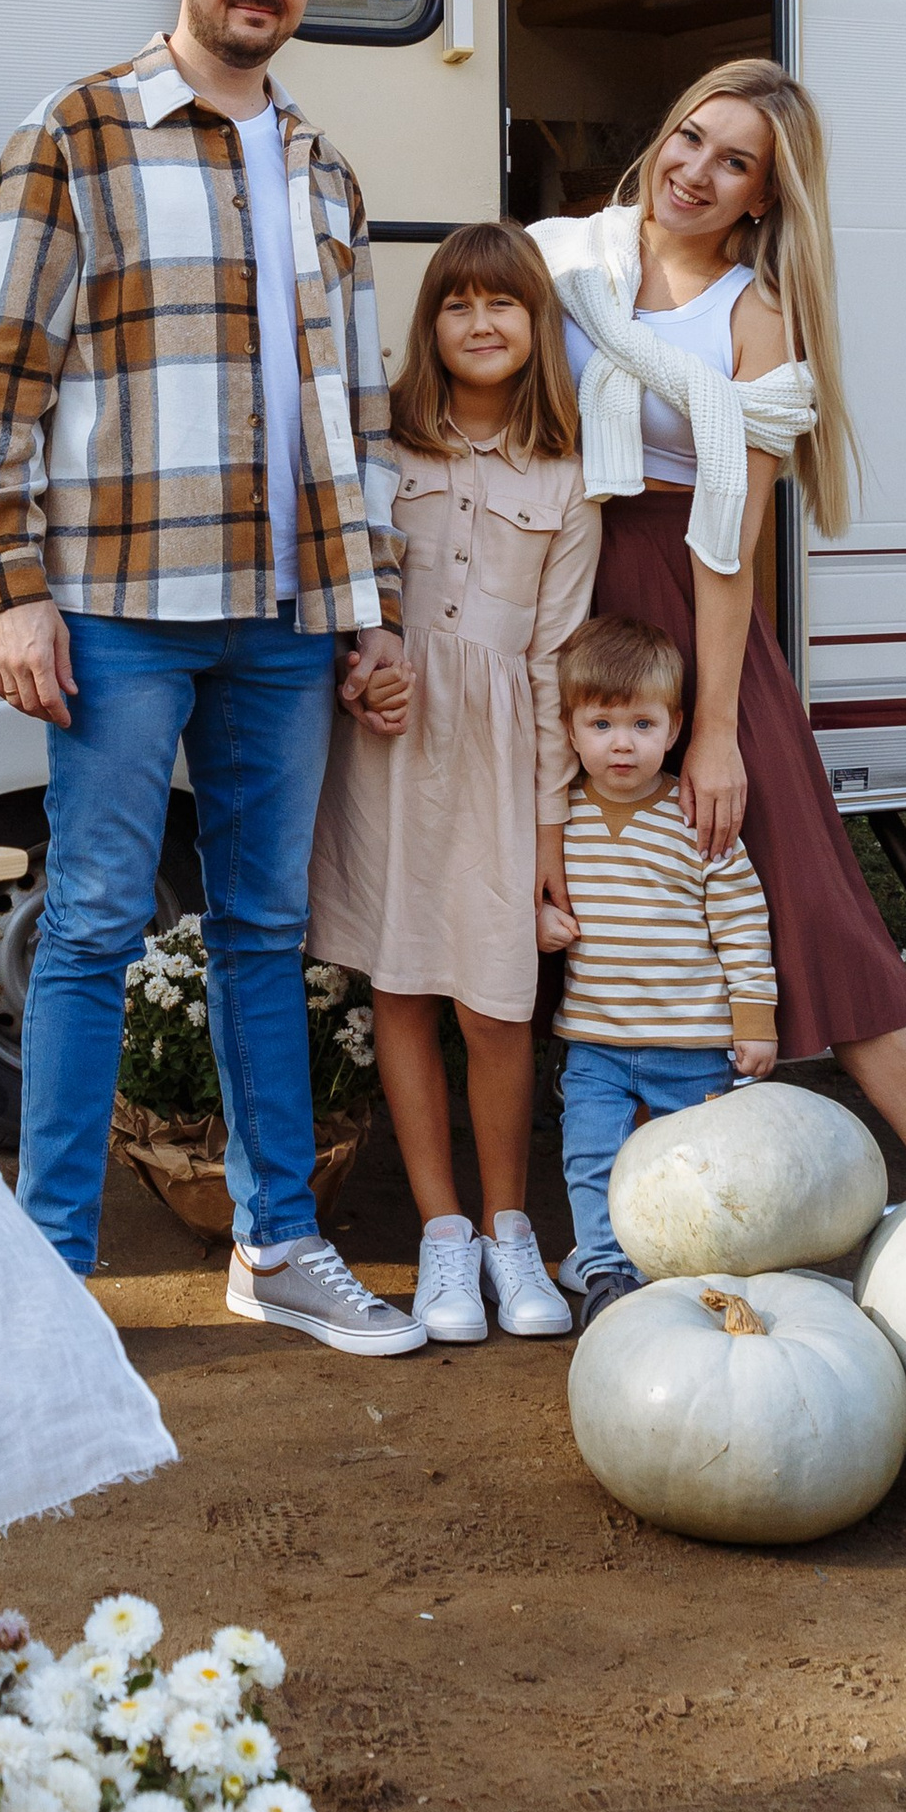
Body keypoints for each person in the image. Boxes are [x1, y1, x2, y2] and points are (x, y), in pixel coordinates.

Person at [0, 0, 424, 1352]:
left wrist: (371, 605)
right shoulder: (75, 133)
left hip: (286, 615)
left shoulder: (323, 168)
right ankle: (51, 1271)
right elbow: (1, 379)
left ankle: (277, 1245)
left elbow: (354, 410)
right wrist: (11, 590)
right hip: (119, 601)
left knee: (265, 932)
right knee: (92, 922)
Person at [530, 60, 906, 1191]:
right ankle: (571, 1199)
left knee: (806, 885)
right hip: (548, 585)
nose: (696, 171)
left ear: (764, 197)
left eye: (734, 163)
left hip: (688, 602)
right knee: (550, 863)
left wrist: (719, 730)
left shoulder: (755, 315)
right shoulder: (563, 258)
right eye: (691, 138)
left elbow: (732, 540)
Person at [308, 222, 598, 1345]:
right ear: (429, 324)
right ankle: (441, 1235)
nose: (480, 323)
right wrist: (358, 672)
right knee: (403, 985)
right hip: (390, 744)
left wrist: (549, 831)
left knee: (496, 999)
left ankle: (509, 1227)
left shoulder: (567, 473)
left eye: (503, 304)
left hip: (499, 755)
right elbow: (343, 593)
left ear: (536, 325)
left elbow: (555, 661)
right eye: (457, 304)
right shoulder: (384, 445)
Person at [544, 616, 778, 1324]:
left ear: (675, 728)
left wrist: (754, 1021)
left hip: (692, 1046)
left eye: (642, 725)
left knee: (694, 1173)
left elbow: (741, 923)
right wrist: (539, 919)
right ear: (570, 729)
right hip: (595, 1044)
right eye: (602, 724)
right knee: (592, 1161)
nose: (622, 743)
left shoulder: (695, 817)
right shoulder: (559, 819)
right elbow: (527, 886)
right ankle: (607, 1274)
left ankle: (689, 1277)